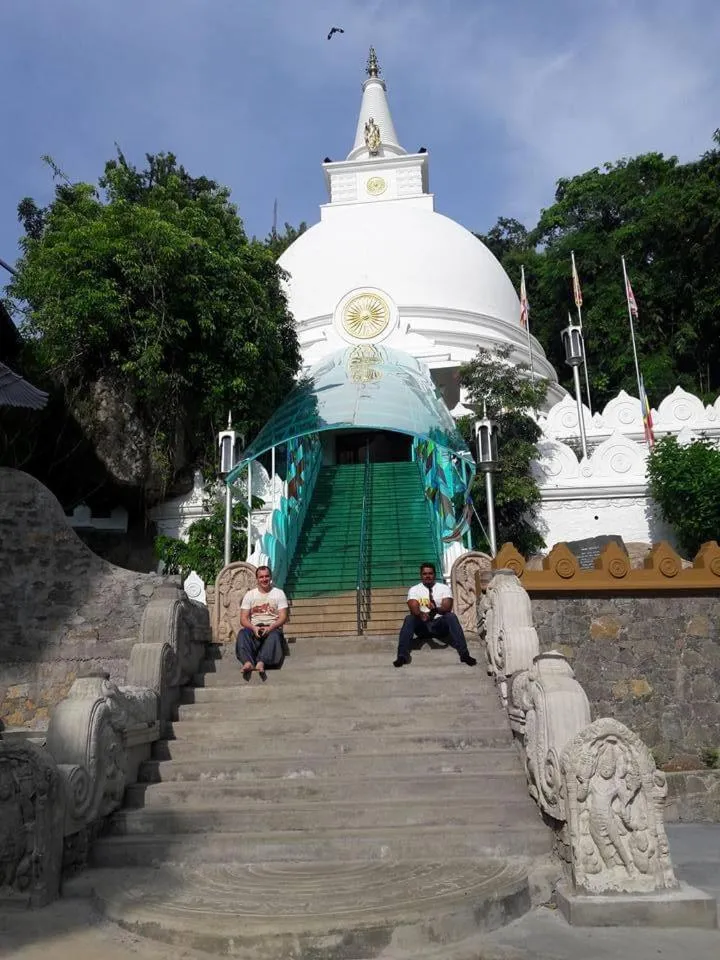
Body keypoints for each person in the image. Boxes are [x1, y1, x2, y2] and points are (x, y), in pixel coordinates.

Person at [394, 562, 477, 668]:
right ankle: (402, 656)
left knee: (451, 616)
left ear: (434, 575)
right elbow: (413, 608)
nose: (427, 576)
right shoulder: (414, 589)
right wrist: (421, 614)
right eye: (425, 574)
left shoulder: (443, 588)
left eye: (430, 573)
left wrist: (435, 609)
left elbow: (447, 607)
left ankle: (465, 655)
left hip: (439, 625)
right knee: (409, 618)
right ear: (421, 575)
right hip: (422, 626)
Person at [237, 565, 288, 679]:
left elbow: (283, 617)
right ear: (257, 579)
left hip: (273, 627)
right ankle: (248, 662)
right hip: (255, 628)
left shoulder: (279, 593)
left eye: (266, 576)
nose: (264, 579)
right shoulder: (250, 595)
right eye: (261, 577)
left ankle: (261, 662)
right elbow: (243, 619)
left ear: (270, 577)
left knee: (274, 635)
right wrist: (253, 628)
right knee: (242, 633)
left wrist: (270, 628)